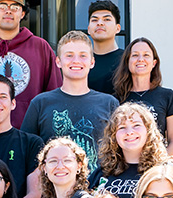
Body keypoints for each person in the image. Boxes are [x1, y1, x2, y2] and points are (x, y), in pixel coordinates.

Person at [21, 31, 119, 172]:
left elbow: (118, 153)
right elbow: (26, 153)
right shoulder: (40, 103)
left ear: (92, 62)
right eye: (69, 55)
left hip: (95, 190)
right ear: (58, 62)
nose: (76, 61)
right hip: (52, 190)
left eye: (83, 55)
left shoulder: (109, 104)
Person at [89, 103, 173, 198]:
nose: (129, 132)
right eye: (122, 127)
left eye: (136, 125)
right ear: (113, 136)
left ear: (148, 131)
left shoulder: (168, 172)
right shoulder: (102, 174)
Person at [0, 0, 61, 129]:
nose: (8, 11)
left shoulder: (41, 47)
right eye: (3, 6)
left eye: (15, 7)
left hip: (31, 137)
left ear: (22, 13)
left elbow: (54, 95)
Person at [113, 37, 173, 157]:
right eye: (135, 55)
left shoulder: (168, 96)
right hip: (125, 166)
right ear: (127, 61)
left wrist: (159, 166)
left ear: (154, 63)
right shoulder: (115, 99)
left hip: (156, 164)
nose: (140, 59)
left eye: (146, 55)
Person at [86, 0, 124, 96]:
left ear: (118, 28)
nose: (100, 23)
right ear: (89, 29)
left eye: (107, 19)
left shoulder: (127, 60)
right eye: (94, 20)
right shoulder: (81, 61)